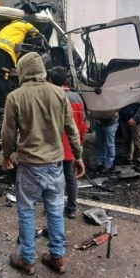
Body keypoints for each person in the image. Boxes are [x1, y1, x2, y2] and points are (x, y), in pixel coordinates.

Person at [1, 53, 84, 275]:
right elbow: (71, 129)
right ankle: (57, 257)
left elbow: (8, 133)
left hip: (29, 166)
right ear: (42, 70)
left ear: (23, 72)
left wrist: (6, 155)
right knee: (56, 211)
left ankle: (27, 259)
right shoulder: (59, 93)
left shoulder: (15, 97)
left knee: (26, 211)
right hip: (55, 165)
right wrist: (78, 156)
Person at [47, 67, 87, 219]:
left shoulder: (51, 97)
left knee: (53, 179)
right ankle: (71, 208)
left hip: (54, 147)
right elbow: (82, 124)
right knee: (70, 178)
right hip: (71, 147)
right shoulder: (77, 98)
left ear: (50, 79)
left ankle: (54, 207)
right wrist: (80, 143)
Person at [0, 18, 39, 108]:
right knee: (2, 78)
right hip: (3, 51)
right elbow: (38, 35)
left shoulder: (10, 26)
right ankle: (0, 107)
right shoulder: (26, 24)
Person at [119, 102, 140, 169]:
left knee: (138, 141)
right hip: (125, 119)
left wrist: (135, 118)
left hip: (137, 121)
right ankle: (128, 158)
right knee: (127, 140)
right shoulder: (124, 91)